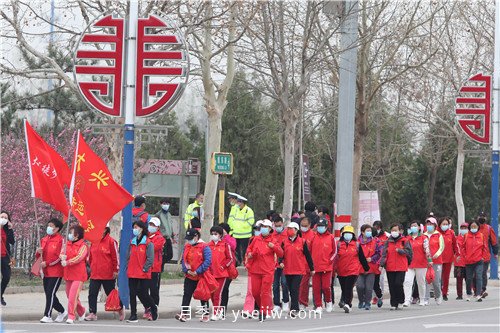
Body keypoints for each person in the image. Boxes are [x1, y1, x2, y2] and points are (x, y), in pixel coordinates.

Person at [246, 219, 283, 320]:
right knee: (255, 292)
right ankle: (265, 307)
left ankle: (263, 311)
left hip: (267, 271)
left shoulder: (273, 240)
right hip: (255, 270)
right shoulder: (255, 239)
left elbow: (281, 253)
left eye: (266, 227)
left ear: (270, 229)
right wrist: (249, 254)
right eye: (262, 226)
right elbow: (249, 249)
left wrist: (274, 247)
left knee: (265, 292)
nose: (263, 228)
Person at [85, 225, 123, 321]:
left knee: (110, 294)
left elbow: (115, 258)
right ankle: (92, 313)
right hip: (95, 274)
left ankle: (120, 309)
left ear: (106, 229)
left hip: (108, 274)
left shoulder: (111, 242)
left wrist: (116, 270)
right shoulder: (94, 241)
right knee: (92, 293)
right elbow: (91, 257)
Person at [176, 228, 212, 322]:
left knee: (202, 295)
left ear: (196, 237)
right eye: (188, 238)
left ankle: (205, 314)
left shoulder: (204, 247)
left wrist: (197, 271)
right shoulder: (187, 246)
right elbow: (184, 260)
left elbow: (207, 261)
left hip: (200, 276)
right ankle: (184, 314)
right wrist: (187, 270)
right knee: (187, 294)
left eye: (191, 238)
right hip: (189, 275)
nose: (189, 240)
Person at [280, 222, 314, 318]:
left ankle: (294, 309)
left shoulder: (302, 242)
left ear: (296, 230)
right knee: (290, 289)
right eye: (288, 228)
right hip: (287, 270)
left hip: (298, 270)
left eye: (292, 228)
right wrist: (280, 262)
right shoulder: (284, 242)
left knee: (295, 289)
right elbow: (281, 255)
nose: (289, 230)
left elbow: (308, 256)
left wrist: (312, 269)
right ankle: (295, 307)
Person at [126, 221, 157, 323]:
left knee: (144, 293)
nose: (134, 229)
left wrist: (145, 268)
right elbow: (128, 256)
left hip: (143, 272)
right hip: (132, 272)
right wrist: (127, 267)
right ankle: (133, 315)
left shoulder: (148, 243)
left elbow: (150, 259)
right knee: (132, 293)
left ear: (142, 228)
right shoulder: (132, 242)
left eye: (136, 227)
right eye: (133, 227)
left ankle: (153, 307)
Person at [37, 218, 66, 323]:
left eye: (51, 226)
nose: (49, 227)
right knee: (49, 293)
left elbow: (60, 257)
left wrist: (48, 263)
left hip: (56, 271)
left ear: (57, 228)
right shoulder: (44, 239)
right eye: (48, 225)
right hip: (46, 271)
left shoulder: (60, 240)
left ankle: (47, 315)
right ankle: (62, 311)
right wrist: (38, 252)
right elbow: (40, 256)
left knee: (50, 292)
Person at [335, 225, 369, 313]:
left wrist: (366, 268)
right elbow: (335, 257)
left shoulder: (357, 244)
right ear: (343, 234)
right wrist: (334, 269)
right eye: (346, 233)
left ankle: (347, 304)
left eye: (349, 233)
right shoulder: (338, 244)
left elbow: (362, 257)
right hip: (341, 270)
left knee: (349, 287)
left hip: (353, 270)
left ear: (352, 234)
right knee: (344, 288)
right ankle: (347, 303)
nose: (347, 235)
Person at [380, 223, 412, 310]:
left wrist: (401, 251)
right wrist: (381, 264)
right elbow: (384, 254)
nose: (394, 232)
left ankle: (401, 301)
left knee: (398, 284)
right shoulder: (387, 241)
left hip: (401, 266)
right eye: (393, 230)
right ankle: (393, 303)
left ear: (400, 231)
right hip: (390, 267)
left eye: (396, 230)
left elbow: (409, 253)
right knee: (391, 285)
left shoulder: (404, 241)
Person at [60, 225, 88, 324]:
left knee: (73, 295)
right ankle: (81, 311)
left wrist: (67, 262)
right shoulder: (67, 244)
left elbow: (79, 257)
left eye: (72, 233)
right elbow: (62, 252)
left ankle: (71, 315)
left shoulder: (83, 246)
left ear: (77, 235)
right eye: (70, 232)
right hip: (68, 274)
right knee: (70, 295)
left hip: (79, 275)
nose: (70, 235)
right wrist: (62, 256)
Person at [310, 218, 336, 313]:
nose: (320, 228)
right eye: (319, 226)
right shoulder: (313, 237)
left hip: (327, 267)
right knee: (316, 288)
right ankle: (318, 305)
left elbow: (334, 251)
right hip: (315, 267)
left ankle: (328, 302)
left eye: (322, 226)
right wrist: (310, 264)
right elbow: (309, 251)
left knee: (326, 287)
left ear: (326, 227)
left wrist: (330, 260)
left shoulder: (331, 237)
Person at [208, 226, 233, 321]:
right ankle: (217, 310)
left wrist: (223, 266)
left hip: (222, 274)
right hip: (210, 274)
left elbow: (230, 258)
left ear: (220, 235)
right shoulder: (207, 246)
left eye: (216, 234)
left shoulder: (225, 245)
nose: (213, 236)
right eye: (212, 234)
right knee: (211, 294)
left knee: (217, 294)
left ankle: (215, 313)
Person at [403, 221, 431, 307]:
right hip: (409, 264)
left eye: (415, 226)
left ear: (419, 227)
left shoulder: (424, 238)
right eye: (412, 226)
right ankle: (407, 300)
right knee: (407, 281)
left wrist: (429, 260)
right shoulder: (407, 238)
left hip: (421, 264)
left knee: (421, 282)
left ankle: (422, 299)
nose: (413, 227)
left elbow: (427, 249)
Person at [461, 221, 488, 302]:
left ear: (478, 227)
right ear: (469, 227)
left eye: (475, 226)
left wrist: (483, 257)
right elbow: (462, 248)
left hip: (479, 261)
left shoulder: (481, 236)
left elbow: (484, 248)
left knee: (479, 277)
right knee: (469, 279)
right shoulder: (466, 236)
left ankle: (478, 294)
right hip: (468, 261)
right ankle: (469, 293)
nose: (473, 228)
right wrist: (465, 256)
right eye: (472, 227)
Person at [356, 224, 381, 310]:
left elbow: (379, 253)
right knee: (360, 286)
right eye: (367, 231)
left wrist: (372, 259)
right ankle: (361, 301)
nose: (369, 232)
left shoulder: (376, 241)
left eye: (370, 231)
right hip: (359, 267)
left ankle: (367, 303)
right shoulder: (357, 242)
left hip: (371, 267)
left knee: (369, 288)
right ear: (362, 232)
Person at [145, 217, 166, 317]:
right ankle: (148, 308)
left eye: (153, 225)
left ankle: (154, 308)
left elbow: (153, 248)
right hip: (146, 267)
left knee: (153, 289)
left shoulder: (160, 238)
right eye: (150, 224)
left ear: (158, 227)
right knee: (143, 289)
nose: (151, 227)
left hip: (155, 267)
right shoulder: (146, 236)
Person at [423, 216, 444, 305]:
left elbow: (442, 247)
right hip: (426, 261)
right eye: (428, 224)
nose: (429, 225)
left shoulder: (438, 235)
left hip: (437, 261)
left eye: (431, 224)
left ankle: (438, 296)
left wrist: (436, 254)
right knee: (426, 280)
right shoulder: (423, 235)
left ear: (435, 225)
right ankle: (426, 298)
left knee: (436, 281)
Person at [242, 221, 261, 317]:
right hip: (252, 269)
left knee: (262, 291)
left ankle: (261, 309)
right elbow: (247, 252)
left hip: (264, 270)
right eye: (256, 229)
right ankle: (248, 309)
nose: (256, 231)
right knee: (250, 290)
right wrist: (246, 262)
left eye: (259, 229)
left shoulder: (270, 241)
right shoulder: (251, 240)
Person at [477, 213, 499, 298]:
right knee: (476, 273)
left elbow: (494, 242)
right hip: (475, 255)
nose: (481, 218)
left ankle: (482, 289)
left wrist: (495, 253)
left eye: (483, 217)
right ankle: (477, 290)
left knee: (483, 273)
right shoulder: (474, 228)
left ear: (486, 218)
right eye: (480, 216)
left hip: (485, 255)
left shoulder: (489, 229)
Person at [229, 195, 255, 266]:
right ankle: (238, 262)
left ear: (243, 203)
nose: (238, 204)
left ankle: (245, 262)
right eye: (237, 202)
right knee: (236, 249)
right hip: (236, 233)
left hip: (245, 234)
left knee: (245, 250)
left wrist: (242, 226)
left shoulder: (248, 210)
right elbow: (233, 219)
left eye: (239, 202)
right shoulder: (236, 210)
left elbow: (251, 221)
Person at [438, 217, 457, 301]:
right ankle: (438, 293)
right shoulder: (436, 233)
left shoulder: (451, 233)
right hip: (438, 258)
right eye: (443, 224)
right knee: (438, 277)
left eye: (446, 224)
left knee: (446, 277)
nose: (445, 226)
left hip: (448, 258)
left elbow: (455, 245)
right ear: (440, 224)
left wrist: (457, 253)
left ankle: (444, 293)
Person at [272, 216, 289, 312]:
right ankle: (276, 303)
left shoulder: (287, 234)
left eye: (279, 225)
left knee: (284, 283)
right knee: (275, 285)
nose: (278, 227)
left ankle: (285, 301)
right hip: (274, 263)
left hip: (284, 263)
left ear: (282, 224)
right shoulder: (272, 235)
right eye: (276, 226)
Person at [298, 217, 315, 309]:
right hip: (296, 263)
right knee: (296, 285)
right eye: (302, 225)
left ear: (309, 225)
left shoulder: (313, 235)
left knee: (304, 285)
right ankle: (297, 301)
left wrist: (311, 266)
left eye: (305, 226)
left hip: (306, 265)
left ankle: (303, 302)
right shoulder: (297, 234)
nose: (303, 227)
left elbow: (313, 252)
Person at [219, 223, 236, 310]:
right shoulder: (217, 240)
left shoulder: (231, 239)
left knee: (225, 287)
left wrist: (225, 237)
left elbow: (233, 247)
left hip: (229, 267)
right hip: (219, 267)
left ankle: (223, 307)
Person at [371, 220, 387, 307]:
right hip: (372, 263)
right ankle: (374, 297)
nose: (376, 229)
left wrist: (382, 262)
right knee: (373, 281)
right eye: (374, 227)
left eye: (378, 227)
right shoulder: (370, 236)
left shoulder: (386, 236)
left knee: (380, 280)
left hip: (382, 262)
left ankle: (380, 296)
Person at [0, 211, 15, 307]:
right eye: (2, 216)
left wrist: (10, 229)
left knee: (6, 276)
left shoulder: (7, 229)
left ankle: (0, 294)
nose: (3, 219)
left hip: (4, 256)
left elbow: (12, 242)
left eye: (5, 218)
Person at [155, 198, 174, 265]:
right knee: (162, 255)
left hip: (168, 237)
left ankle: (161, 265)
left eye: (167, 204)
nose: (166, 205)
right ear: (161, 204)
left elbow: (170, 225)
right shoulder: (158, 214)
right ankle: (160, 268)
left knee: (169, 255)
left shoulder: (169, 214)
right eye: (164, 203)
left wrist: (172, 235)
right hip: (162, 238)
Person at [454, 222, 468, 300]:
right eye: (462, 228)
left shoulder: (469, 238)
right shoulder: (456, 238)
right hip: (458, 262)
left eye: (465, 228)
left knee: (469, 279)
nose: (463, 230)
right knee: (459, 279)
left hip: (468, 261)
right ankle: (459, 294)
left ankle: (470, 292)